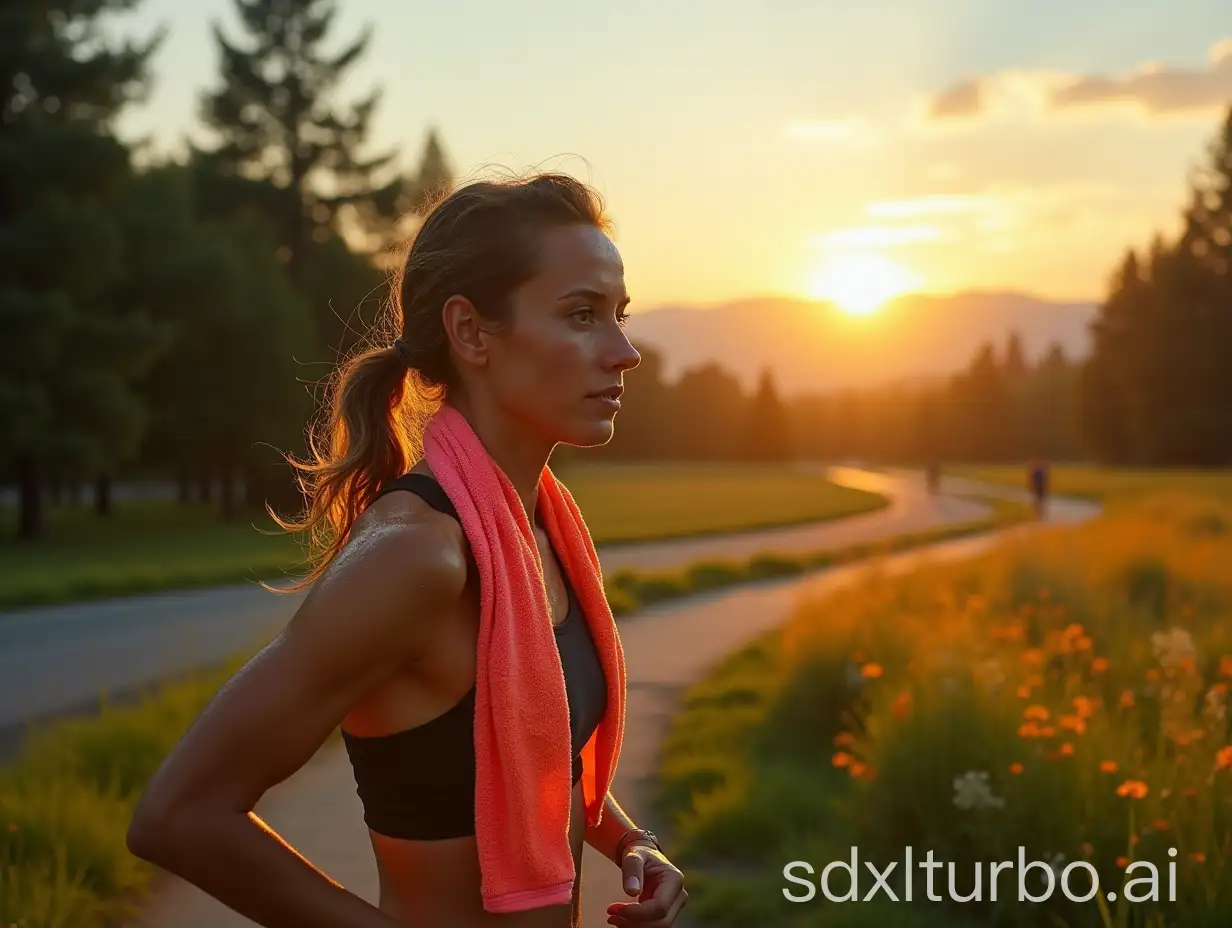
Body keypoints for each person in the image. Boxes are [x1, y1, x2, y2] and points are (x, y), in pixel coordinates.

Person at [126, 173, 689, 928]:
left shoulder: (538, 529)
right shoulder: (418, 556)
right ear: (471, 333)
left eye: (618, 314)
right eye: (582, 315)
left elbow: (533, 750)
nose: (624, 352)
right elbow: (179, 815)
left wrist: (628, 841)